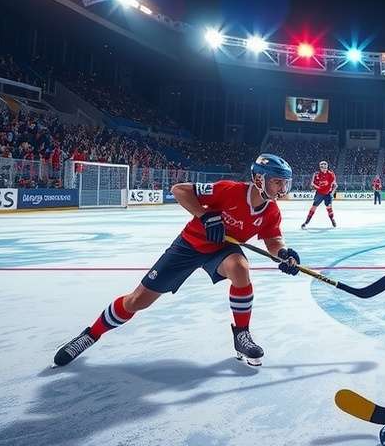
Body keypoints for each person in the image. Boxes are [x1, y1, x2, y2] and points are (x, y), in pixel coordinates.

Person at [53, 154, 299, 368]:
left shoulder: (271, 210)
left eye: (284, 183)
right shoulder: (229, 190)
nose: (282, 188)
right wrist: (205, 216)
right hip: (190, 246)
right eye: (277, 181)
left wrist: (285, 254)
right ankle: (90, 335)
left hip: (222, 249)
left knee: (240, 268)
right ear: (259, 179)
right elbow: (179, 190)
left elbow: (273, 240)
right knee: (137, 301)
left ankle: (242, 335)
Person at [302, 160, 337, 228]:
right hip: (319, 194)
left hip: (327, 194)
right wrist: (314, 187)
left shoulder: (330, 174)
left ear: (327, 167)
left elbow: (335, 185)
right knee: (313, 207)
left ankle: (332, 219)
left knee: (329, 207)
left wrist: (332, 193)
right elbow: (312, 184)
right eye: (322, 167)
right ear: (320, 168)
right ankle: (306, 222)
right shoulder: (317, 174)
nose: (323, 168)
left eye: (325, 167)